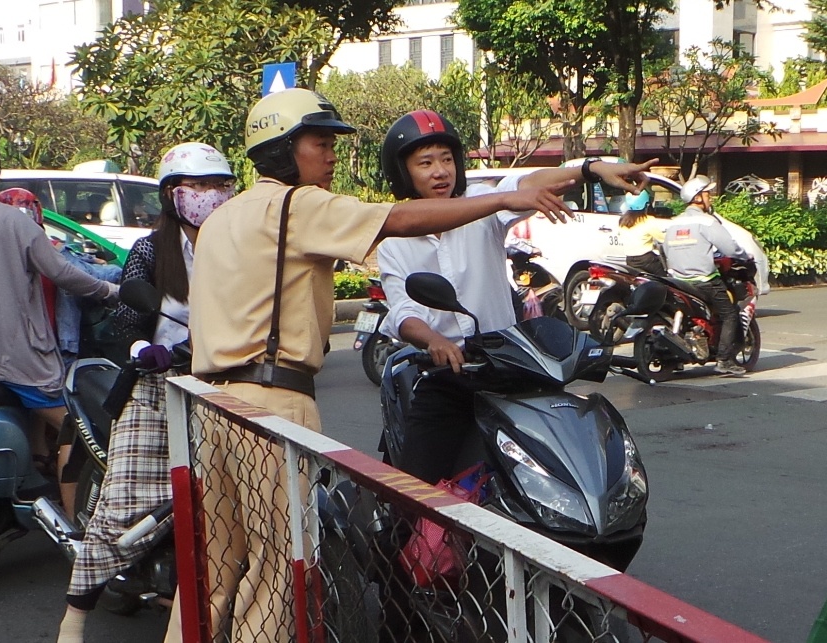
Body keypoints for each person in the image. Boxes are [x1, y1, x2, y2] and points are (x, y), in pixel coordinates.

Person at [162, 88, 584, 643]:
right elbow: (400, 221)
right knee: (276, 580)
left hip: (207, 403)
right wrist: (503, 201)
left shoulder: (225, 215)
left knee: (211, 574)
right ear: (286, 149)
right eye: (320, 143)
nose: (332, 155)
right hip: (269, 404)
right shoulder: (299, 204)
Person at [375, 110, 658, 485]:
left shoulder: (480, 203)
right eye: (425, 163)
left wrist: (593, 169)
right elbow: (403, 310)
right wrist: (435, 341)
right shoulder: (394, 237)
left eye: (446, 159)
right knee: (414, 494)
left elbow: (526, 182)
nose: (440, 171)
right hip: (445, 376)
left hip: (504, 364)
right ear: (403, 171)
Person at [56, 142, 236, 643]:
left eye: (219, 185)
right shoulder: (151, 251)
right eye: (196, 187)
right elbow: (128, 322)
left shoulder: (245, 249)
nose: (209, 196)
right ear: (172, 196)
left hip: (227, 387)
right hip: (160, 386)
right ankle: (74, 617)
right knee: (122, 504)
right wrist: (144, 348)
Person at [0, 130, 120, 490]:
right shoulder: (12, 220)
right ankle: (77, 528)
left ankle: (32, 468)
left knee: (37, 425)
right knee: (76, 430)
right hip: (10, 356)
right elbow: (63, 273)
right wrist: (110, 291)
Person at [661, 175, 752, 376]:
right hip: (704, 282)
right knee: (730, 314)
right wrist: (746, 256)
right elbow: (730, 248)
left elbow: (664, 250)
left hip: (677, 282)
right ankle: (724, 360)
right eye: (707, 193)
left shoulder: (673, 224)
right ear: (698, 198)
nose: (710, 197)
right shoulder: (706, 221)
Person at [618, 188, 666, 275]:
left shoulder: (623, 220)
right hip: (646, 259)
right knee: (665, 279)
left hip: (630, 260)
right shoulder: (647, 220)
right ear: (646, 205)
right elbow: (662, 239)